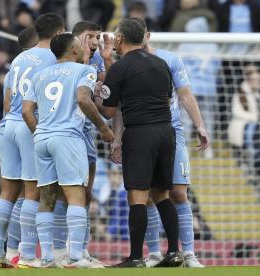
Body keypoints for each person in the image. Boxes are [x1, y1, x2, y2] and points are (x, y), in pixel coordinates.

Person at [112, 18, 210, 268]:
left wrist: (199, 125)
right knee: (149, 196)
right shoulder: (129, 64)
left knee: (176, 193)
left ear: (148, 35)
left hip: (168, 131)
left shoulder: (169, 59)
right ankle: (155, 252)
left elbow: (184, 94)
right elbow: (124, 107)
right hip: (156, 131)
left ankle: (187, 253)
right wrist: (118, 137)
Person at [93, 18, 181, 268]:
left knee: (137, 197)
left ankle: (135, 258)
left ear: (119, 39)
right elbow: (166, 101)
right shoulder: (161, 63)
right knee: (162, 194)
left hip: (140, 134)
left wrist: (96, 95)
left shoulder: (121, 68)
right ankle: (174, 253)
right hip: (166, 132)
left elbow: (109, 112)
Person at [22, 32, 114, 268]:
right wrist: (104, 129)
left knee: (47, 198)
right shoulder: (85, 70)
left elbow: (26, 111)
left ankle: (47, 258)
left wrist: (41, 131)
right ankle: (75, 257)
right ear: (74, 50)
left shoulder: (41, 74)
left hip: (42, 138)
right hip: (68, 137)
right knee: (76, 196)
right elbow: (84, 99)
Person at [0, 13, 65, 269]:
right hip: (29, 125)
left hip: (8, 124)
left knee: (8, 192)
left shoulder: (20, 58)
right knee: (33, 192)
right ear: (58, 33)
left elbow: (8, 99)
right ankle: (28, 256)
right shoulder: (54, 57)